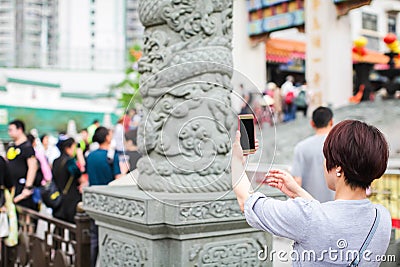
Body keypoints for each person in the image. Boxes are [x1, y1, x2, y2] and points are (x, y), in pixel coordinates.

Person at [231, 120, 391, 266]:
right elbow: (326, 221)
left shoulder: (308, 217)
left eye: (326, 157)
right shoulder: (382, 217)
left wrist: (237, 161)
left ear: (338, 168)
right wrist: (298, 192)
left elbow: (247, 202)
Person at [86, 126, 122, 267]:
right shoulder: (112, 156)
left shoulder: (90, 155)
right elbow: (118, 179)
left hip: (94, 198)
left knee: (94, 236)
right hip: (109, 200)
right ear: (107, 137)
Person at [291, 106, 335, 203]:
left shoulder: (301, 147)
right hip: (335, 206)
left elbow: (296, 181)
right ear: (331, 121)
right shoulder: (339, 145)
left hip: (310, 207)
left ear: (312, 123)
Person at [6, 120, 38, 210]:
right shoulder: (11, 146)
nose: (9, 133)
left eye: (11, 130)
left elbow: (33, 167)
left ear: (19, 130)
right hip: (12, 186)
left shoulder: (27, 147)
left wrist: (28, 187)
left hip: (22, 186)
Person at [52, 137, 81, 223]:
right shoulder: (70, 161)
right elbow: (78, 174)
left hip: (59, 195)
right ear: (67, 148)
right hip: (71, 196)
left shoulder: (55, 161)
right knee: (72, 223)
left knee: (59, 224)